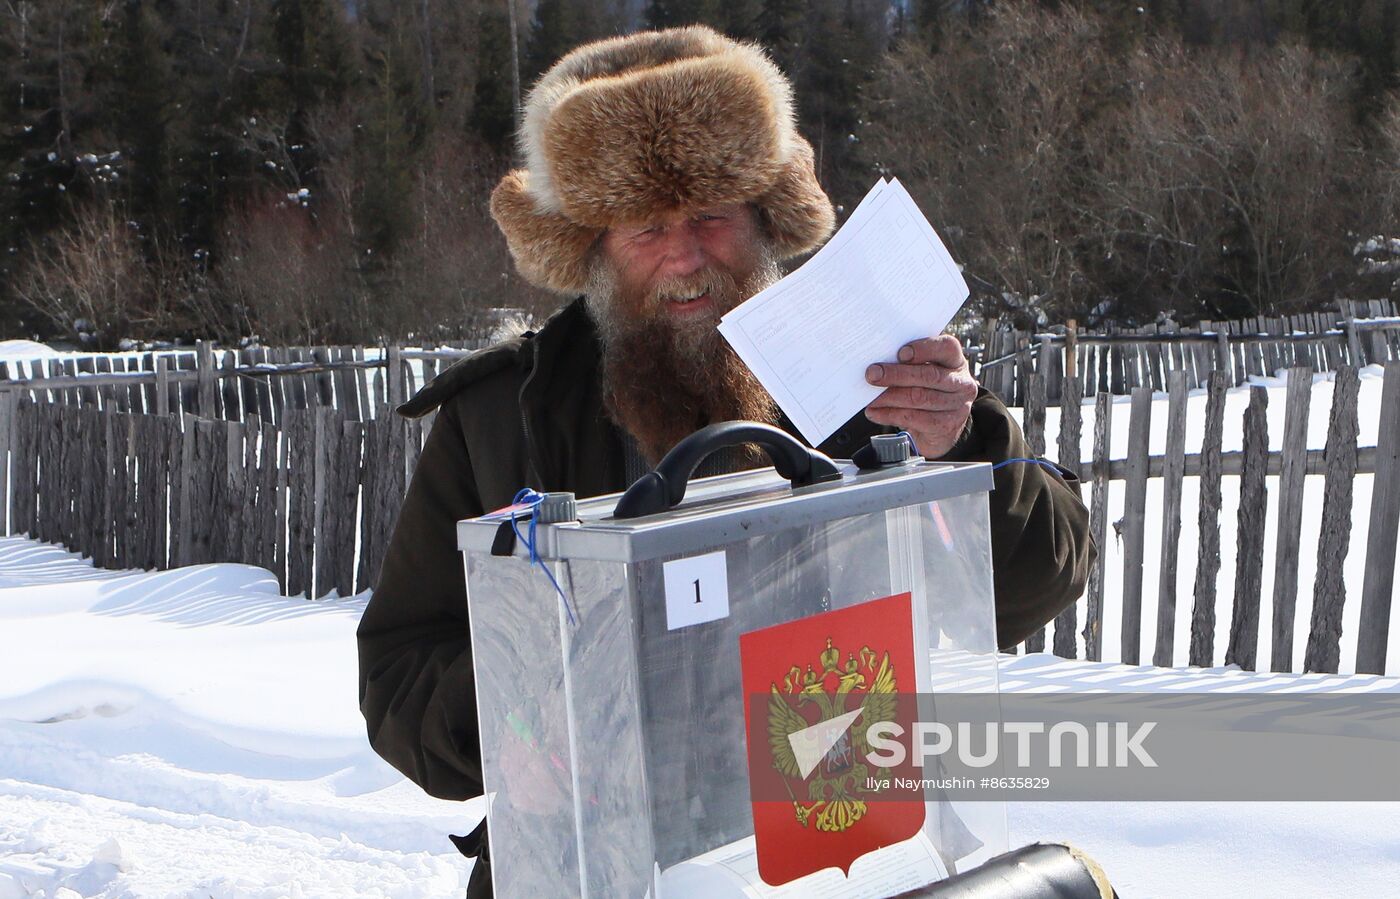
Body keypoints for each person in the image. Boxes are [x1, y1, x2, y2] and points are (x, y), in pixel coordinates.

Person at [356, 25, 1093, 896]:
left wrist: (963, 444)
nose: (684, 255)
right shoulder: (501, 415)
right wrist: (513, 725)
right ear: (593, 244)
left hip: (836, 848)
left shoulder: (869, 374)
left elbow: (1043, 577)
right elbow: (398, 666)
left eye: (710, 215)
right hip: (589, 869)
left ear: (763, 215)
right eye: (645, 225)